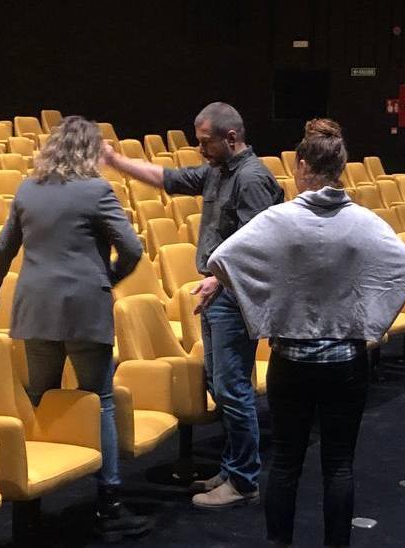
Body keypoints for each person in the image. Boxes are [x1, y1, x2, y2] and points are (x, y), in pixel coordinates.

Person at [207, 118, 405, 548]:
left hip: (291, 360)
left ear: (300, 164)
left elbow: (223, 258)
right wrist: (368, 320)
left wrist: (268, 312)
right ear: (341, 166)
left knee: (286, 463)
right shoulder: (364, 222)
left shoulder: (279, 220)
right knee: (339, 465)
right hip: (346, 360)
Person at [0, 116, 149, 540]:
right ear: (90, 151)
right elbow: (133, 248)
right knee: (99, 399)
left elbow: (2, 250)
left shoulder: (28, 189)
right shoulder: (97, 190)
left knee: (40, 397)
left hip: (36, 311)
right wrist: (108, 280)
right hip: (85, 310)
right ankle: (110, 501)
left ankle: (33, 495)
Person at [100, 101, 284, 508]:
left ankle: (243, 479)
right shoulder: (220, 171)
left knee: (233, 389)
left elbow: (263, 242)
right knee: (221, 383)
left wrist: (221, 277)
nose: (199, 149)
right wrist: (116, 161)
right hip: (218, 293)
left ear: (231, 138)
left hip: (234, 296)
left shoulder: (251, 179)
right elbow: (169, 178)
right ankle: (232, 467)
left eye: (205, 142)